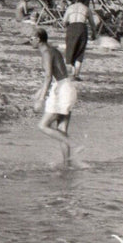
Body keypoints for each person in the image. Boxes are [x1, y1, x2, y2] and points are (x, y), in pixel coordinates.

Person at [31, 28, 80, 166]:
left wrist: (41, 99)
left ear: (38, 39)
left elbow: (48, 76)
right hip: (68, 87)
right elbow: (59, 74)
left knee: (43, 125)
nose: (30, 41)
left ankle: (73, 144)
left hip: (61, 91)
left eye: (31, 38)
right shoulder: (53, 50)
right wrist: (39, 91)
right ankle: (67, 167)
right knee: (61, 130)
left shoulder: (46, 53)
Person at [62, 0, 97, 81]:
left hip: (72, 27)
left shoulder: (70, 7)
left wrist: (67, 26)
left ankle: (68, 73)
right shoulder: (86, 9)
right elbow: (93, 24)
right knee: (80, 51)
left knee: (70, 49)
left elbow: (64, 22)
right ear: (85, 0)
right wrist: (94, 34)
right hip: (82, 28)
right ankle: (76, 74)